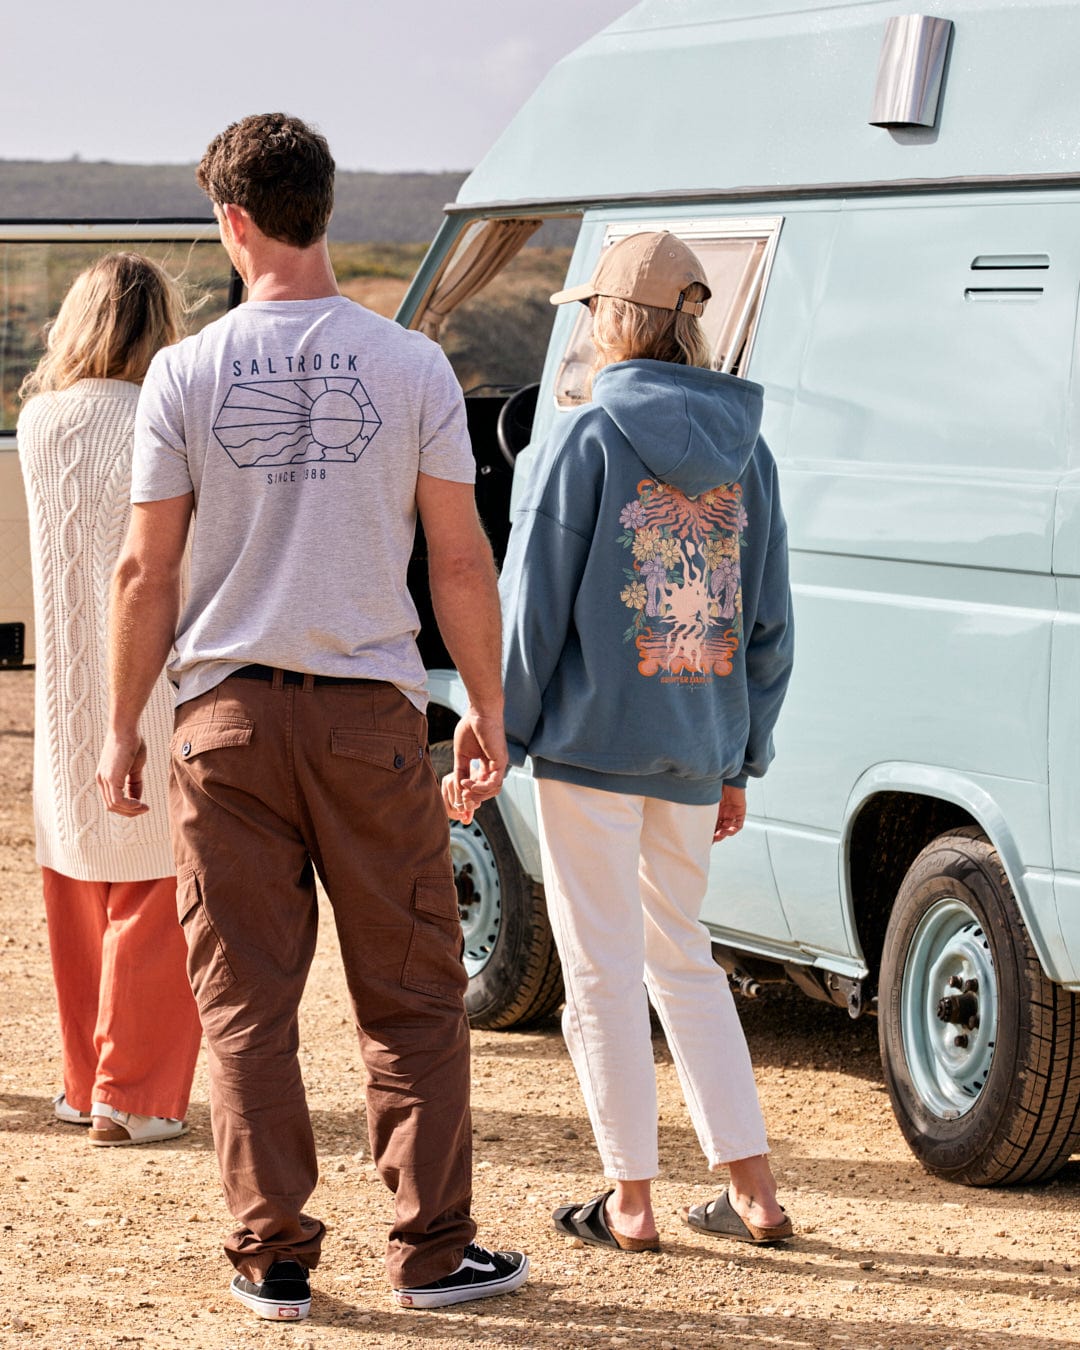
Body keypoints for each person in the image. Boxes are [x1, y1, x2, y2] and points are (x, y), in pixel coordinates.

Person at [94, 113, 528, 1322]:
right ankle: (433, 1255)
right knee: (411, 998)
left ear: (234, 221)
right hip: (370, 720)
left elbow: (146, 574)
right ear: (324, 210)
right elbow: (460, 560)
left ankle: (274, 1257)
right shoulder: (412, 366)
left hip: (223, 724)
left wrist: (120, 723)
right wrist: (486, 707)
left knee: (245, 1006)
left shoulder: (185, 372)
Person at [497, 231, 795, 1253]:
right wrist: (741, 754)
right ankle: (753, 1191)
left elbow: (532, 608)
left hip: (590, 748)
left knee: (601, 969)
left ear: (614, 318)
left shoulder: (579, 439)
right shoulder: (748, 450)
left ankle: (631, 1199)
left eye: (591, 310)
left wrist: (504, 729)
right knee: (686, 958)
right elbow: (768, 620)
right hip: (696, 742)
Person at [17, 253, 203, 1147]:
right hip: (153, 675)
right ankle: (133, 1094)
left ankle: (82, 1083)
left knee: (78, 882)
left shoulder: (39, 419)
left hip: (66, 688)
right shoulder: (169, 415)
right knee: (158, 888)